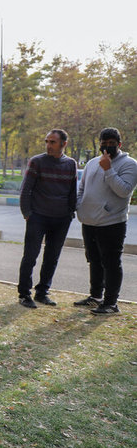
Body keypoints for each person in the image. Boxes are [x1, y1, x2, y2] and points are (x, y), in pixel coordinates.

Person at [74, 127, 137, 315]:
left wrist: (109, 169)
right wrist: (80, 206)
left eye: (112, 143)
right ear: (99, 143)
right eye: (104, 143)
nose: (107, 147)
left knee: (111, 262)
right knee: (93, 259)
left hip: (112, 222)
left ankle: (111, 303)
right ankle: (95, 297)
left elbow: (124, 190)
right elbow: (82, 188)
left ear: (119, 144)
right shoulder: (93, 163)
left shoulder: (130, 164)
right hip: (89, 221)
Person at [18, 129, 77, 309]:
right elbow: (25, 189)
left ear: (64, 144)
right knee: (30, 256)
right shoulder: (37, 162)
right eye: (47, 141)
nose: (48, 145)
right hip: (38, 217)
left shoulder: (71, 164)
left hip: (61, 219)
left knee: (52, 257)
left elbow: (72, 190)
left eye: (52, 142)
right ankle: (24, 294)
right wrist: (27, 213)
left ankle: (43, 292)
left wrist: (70, 212)